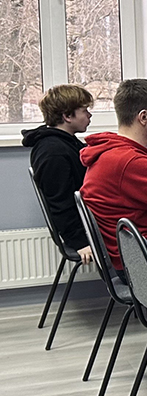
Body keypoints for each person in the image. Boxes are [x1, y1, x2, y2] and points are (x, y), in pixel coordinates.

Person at [79, 79, 147, 272]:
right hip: (143, 264)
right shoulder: (128, 162)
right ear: (143, 117)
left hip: (131, 257)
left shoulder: (114, 152)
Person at [22, 84, 95, 265]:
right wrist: (80, 242)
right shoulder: (52, 152)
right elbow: (60, 202)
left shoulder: (66, 142)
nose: (89, 115)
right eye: (85, 110)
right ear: (67, 116)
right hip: (82, 232)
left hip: (88, 221)